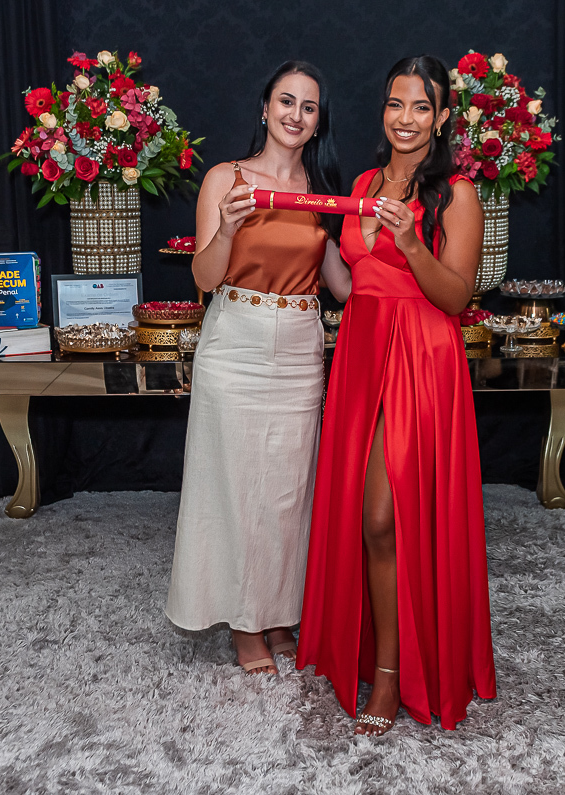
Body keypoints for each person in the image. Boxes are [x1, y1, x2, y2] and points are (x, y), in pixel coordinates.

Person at [296, 55, 496, 733]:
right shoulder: (361, 182)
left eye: (420, 106)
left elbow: (456, 296)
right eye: (394, 103)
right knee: (359, 512)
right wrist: (308, 241)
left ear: (441, 117)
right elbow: (353, 283)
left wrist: (412, 244)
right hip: (362, 348)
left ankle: (390, 675)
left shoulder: (456, 194)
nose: (404, 118)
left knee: (383, 517)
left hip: (420, 357)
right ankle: (367, 650)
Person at [165, 61, 352, 675]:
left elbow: (342, 286)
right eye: (286, 101)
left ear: (319, 121)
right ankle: (246, 623)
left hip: (299, 343)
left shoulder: (323, 191)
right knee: (237, 485)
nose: (296, 115)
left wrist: (406, 257)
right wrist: (226, 227)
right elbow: (204, 277)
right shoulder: (227, 178)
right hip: (236, 339)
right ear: (265, 108)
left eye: (309, 106)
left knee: (288, 492)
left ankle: (279, 614)